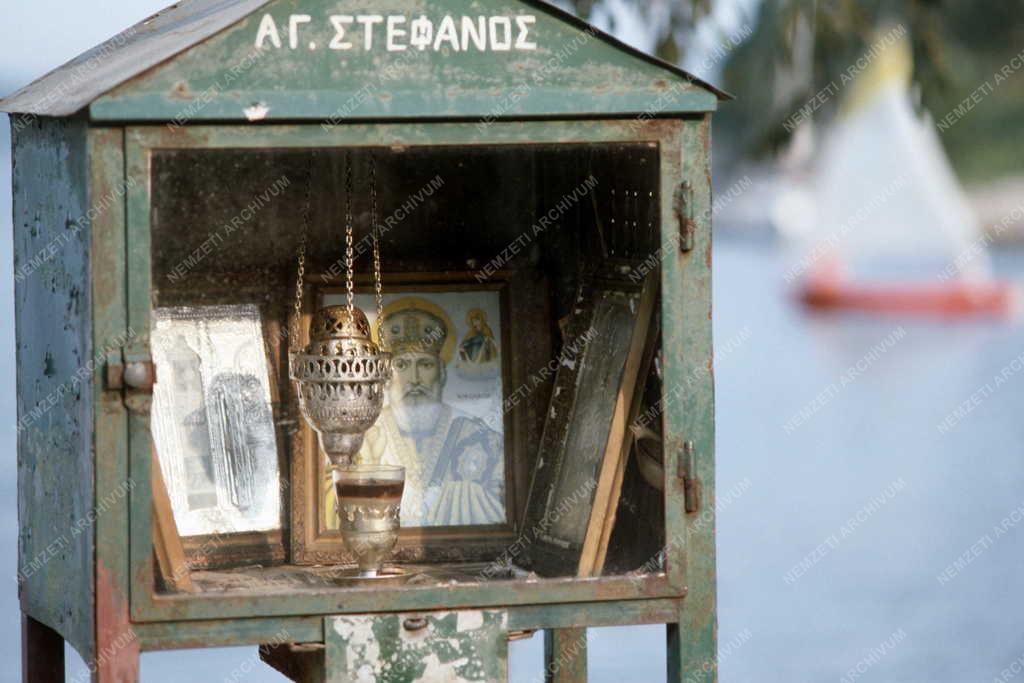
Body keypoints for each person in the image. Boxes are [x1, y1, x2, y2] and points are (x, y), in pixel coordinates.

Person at [353, 297, 505, 526]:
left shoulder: (477, 435)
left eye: (425, 365)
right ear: (385, 375)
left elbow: (503, 501)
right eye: (401, 365)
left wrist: (470, 497)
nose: (414, 379)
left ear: (442, 373)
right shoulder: (361, 435)